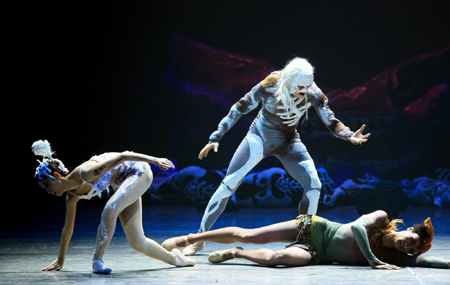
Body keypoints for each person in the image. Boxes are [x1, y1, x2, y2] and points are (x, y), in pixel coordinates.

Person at [170, 57, 371, 256]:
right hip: (259, 137)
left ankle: (303, 239)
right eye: (300, 87)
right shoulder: (270, 84)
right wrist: (216, 136)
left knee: (315, 186)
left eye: (307, 87)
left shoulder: (313, 92)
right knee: (228, 185)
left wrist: (348, 135)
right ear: (289, 80)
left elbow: (331, 121)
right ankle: (199, 239)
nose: (304, 91)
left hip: (289, 141)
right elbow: (239, 107)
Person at [32, 140, 195, 274]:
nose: (48, 190)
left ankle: (97, 260)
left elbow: (123, 156)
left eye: (47, 184)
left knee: (110, 209)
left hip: (138, 172)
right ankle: (176, 259)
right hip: (122, 182)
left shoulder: (87, 172)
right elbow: (68, 229)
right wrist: (60, 260)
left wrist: (155, 160)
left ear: (56, 176)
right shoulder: (71, 197)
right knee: (137, 242)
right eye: (44, 188)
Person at [161, 210, 449, 269]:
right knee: (251, 235)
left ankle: (237, 253)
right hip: (315, 228)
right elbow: (358, 228)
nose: (406, 245)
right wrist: (372, 260)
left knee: (279, 259)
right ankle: (189, 238)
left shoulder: (395, 258)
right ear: (403, 230)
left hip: (318, 253)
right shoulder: (381, 219)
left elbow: (427, 260)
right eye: (409, 239)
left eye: (410, 247)